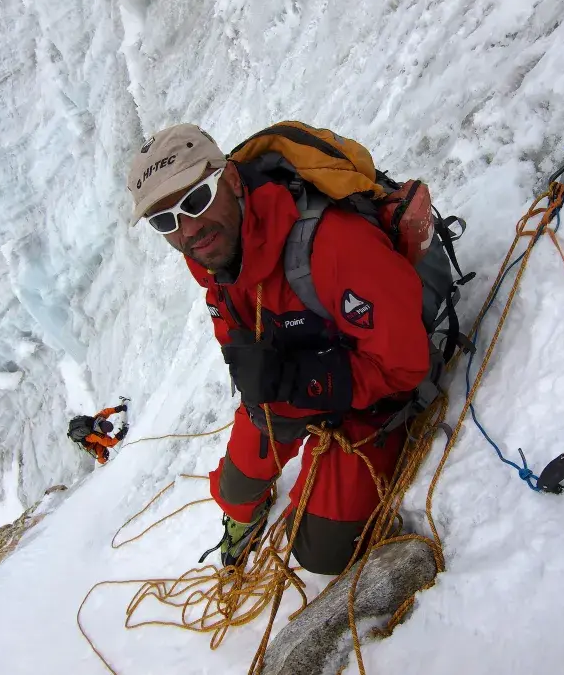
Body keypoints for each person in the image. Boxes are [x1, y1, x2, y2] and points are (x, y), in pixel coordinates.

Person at [127, 124, 431, 575]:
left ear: (230, 179)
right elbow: (237, 333)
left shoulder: (334, 246)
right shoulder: (216, 255)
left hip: (367, 396)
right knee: (234, 492)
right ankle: (252, 510)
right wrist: (266, 381)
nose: (188, 230)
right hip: (298, 380)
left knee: (318, 549)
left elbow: (404, 366)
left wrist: (307, 387)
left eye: (195, 200)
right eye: (164, 221)